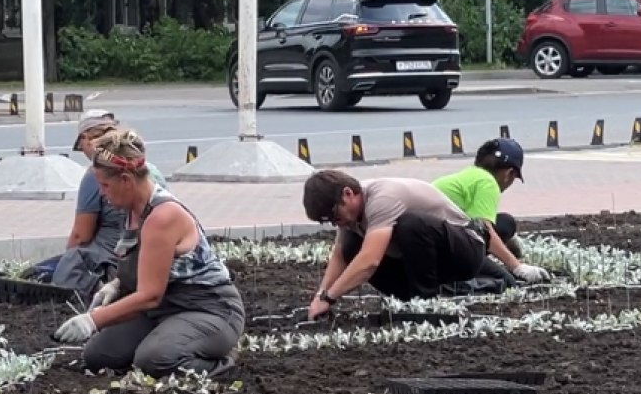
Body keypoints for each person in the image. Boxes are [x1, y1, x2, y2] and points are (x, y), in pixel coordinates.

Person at [52, 129, 245, 377]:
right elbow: (149, 266)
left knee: (155, 360)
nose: (102, 192)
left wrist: (93, 319)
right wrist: (117, 283)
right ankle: (169, 336)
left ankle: (221, 358)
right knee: (98, 356)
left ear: (126, 180)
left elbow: (150, 295)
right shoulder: (131, 210)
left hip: (208, 310)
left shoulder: (162, 217)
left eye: (105, 185)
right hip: (163, 310)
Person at [301, 170, 550, 320]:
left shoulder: (383, 197)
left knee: (410, 225)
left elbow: (370, 260)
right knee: (350, 245)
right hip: (424, 261)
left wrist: (331, 297)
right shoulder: (350, 217)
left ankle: (426, 303)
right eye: (328, 221)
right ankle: (415, 298)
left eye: (334, 215)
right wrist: (320, 296)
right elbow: (340, 257)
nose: (336, 223)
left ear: (348, 193)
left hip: (465, 250)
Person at [29, 110, 167, 295]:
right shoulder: (150, 171)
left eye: (105, 186)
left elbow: (81, 236)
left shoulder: (97, 173)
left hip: (109, 261)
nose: (103, 191)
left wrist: (68, 262)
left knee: (61, 266)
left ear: (86, 139)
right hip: (139, 259)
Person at [433, 138, 527, 261]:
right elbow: (483, 230)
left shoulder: (470, 176)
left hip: (423, 242)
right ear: (509, 174)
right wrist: (517, 266)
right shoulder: (488, 182)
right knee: (506, 223)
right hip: (441, 249)